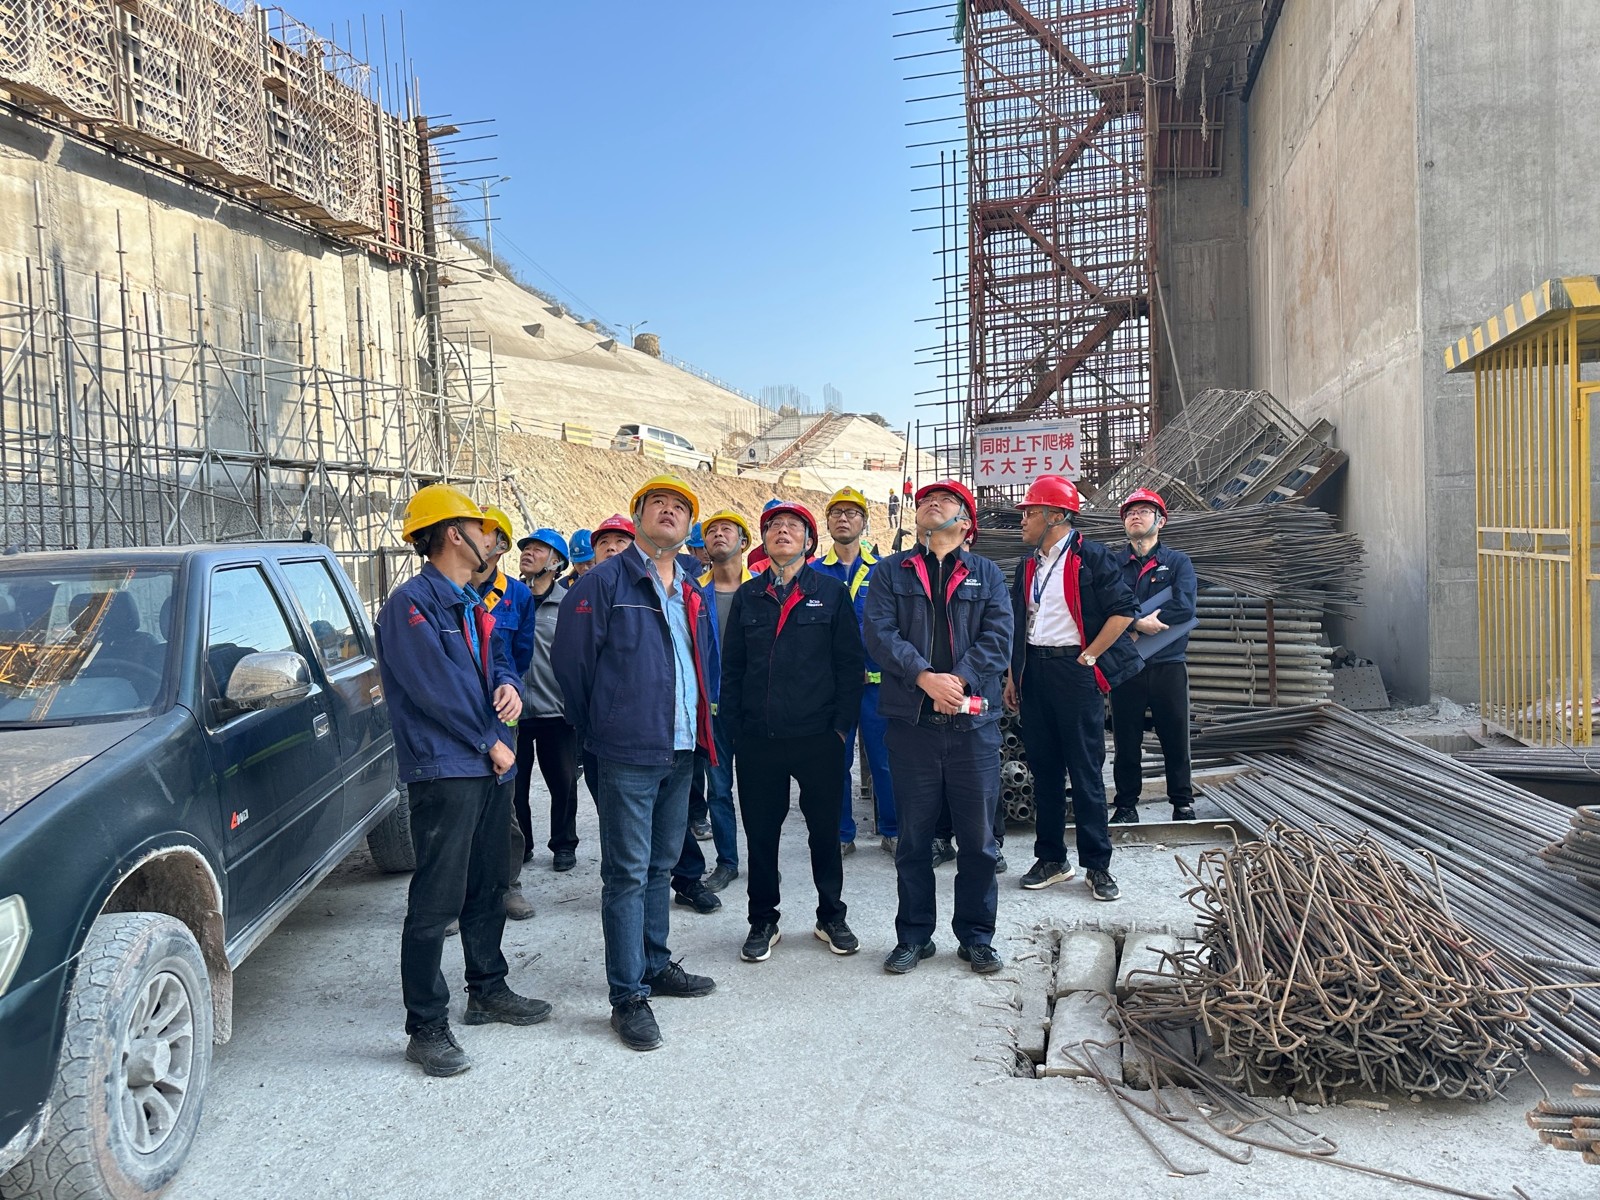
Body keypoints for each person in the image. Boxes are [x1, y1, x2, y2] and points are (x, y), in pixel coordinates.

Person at [375, 483, 547, 1078]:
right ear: (453, 534)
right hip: (447, 766)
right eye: (481, 529)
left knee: (488, 882)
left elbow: (497, 659)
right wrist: (489, 741)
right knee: (436, 898)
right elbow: (435, 689)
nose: (490, 539)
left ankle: (487, 989)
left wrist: (511, 686)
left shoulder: (471, 602)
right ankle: (425, 1026)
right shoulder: (411, 605)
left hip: (485, 763)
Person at [553, 474, 719, 1052]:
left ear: (689, 526)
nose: (669, 512)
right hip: (626, 750)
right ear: (638, 515)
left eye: (680, 507)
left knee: (660, 865)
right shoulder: (603, 583)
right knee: (625, 873)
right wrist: (606, 724)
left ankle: (653, 963)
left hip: (681, 746)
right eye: (658, 504)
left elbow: (701, 663)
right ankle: (627, 995)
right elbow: (572, 668)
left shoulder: (690, 588)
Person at [864, 480, 1013, 976]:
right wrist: (925, 678)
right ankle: (914, 937)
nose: (931, 503)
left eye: (945, 500)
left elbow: (999, 638)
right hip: (913, 726)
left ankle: (976, 937)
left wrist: (959, 680)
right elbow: (879, 634)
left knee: (979, 843)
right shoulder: (891, 571)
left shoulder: (987, 574)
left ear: (965, 522)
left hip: (974, 729)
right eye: (926, 499)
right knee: (914, 840)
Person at [721, 501, 864, 963]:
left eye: (793, 526)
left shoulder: (830, 593)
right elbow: (732, 668)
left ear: (808, 541)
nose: (782, 531)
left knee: (824, 832)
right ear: (764, 542)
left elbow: (850, 665)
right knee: (761, 834)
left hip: (818, 738)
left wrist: (840, 729)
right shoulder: (748, 596)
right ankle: (763, 920)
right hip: (758, 740)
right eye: (774, 526)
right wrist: (735, 731)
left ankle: (831, 916)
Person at [1003, 475, 1139, 903]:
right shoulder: (1028, 566)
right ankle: (1051, 859)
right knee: (1043, 770)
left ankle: (1097, 865)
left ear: (1056, 515)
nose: (1023, 520)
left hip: (1074, 670)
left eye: (1030, 512)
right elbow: (1019, 623)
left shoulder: (1091, 557)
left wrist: (1091, 656)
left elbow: (1123, 611)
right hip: (1035, 671)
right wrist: (1013, 675)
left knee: (1084, 772)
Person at [811, 486, 898, 857]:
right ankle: (841, 834)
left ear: (865, 522)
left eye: (851, 513)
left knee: (885, 761)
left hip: (878, 686)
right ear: (828, 522)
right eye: (836, 513)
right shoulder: (813, 572)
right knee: (834, 763)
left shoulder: (884, 571)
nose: (843, 518)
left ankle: (893, 830)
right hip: (833, 690)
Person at [1109, 488, 1198, 824]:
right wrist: (1136, 622)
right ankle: (1126, 805)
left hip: (1168, 663)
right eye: (1130, 512)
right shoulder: (1113, 565)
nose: (1136, 516)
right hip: (1126, 666)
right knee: (1126, 739)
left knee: (1175, 735)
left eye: (1144, 511)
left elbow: (1184, 606)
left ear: (1160, 521)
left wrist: (1142, 625)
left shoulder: (1177, 563)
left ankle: (1182, 803)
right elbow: (1106, 606)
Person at [473, 505, 539, 921]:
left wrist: (508, 689)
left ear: (500, 545)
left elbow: (520, 655)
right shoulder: (448, 590)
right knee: (458, 807)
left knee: (504, 803)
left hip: (501, 714)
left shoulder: (518, 596)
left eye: (484, 532)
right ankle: (456, 895)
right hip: (456, 712)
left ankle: (508, 884)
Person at [516, 528, 583, 871]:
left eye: (538, 549)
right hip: (513, 712)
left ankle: (564, 844)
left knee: (563, 783)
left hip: (556, 710)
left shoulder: (568, 604)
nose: (528, 553)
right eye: (526, 548)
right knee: (514, 786)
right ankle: (521, 845)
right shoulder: (509, 599)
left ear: (556, 562)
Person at [694, 508, 753, 892]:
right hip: (712, 710)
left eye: (726, 529)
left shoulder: (762, 589)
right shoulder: (692, 592)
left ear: (743, 542)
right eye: (711, 530)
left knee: (758, 790)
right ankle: (727, 862)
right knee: (717, 791)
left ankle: (762, 861)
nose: (717, 534)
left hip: (753, 710)